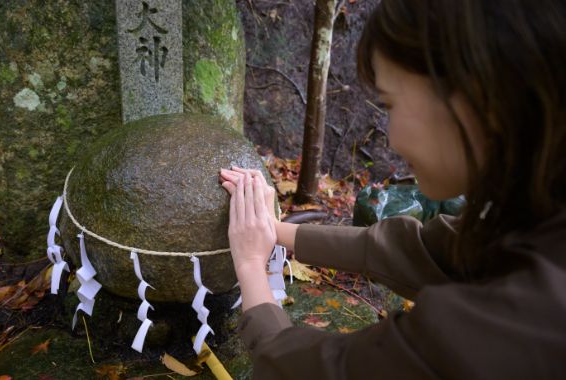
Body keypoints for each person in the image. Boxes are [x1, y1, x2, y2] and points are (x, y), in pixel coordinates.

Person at [219, 0, 566, 378]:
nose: (392, 138)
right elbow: (434, 251)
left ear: (480, 97)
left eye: (390, 104)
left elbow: (326, 371)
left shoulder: (516, 322)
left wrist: (251, 267)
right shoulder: (538, 210)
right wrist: (274, 234)